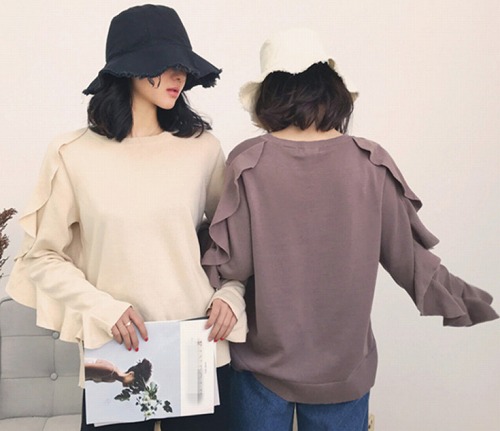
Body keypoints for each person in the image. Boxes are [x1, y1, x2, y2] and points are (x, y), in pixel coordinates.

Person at [201, 27, 499, 431]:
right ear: (331, 89)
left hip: (261, 368)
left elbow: (231, 266)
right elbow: (410, 260)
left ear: (270, 95)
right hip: (344, 369)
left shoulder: (248, 164)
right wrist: (468, 301)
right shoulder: (371, 164)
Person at [6, 5, 246, 431]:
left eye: (183, 65)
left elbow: (232, 241)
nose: (178, 75)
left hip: (196, 344)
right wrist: (104, 308)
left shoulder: (203, 148)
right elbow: (41, 256)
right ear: (129, 69)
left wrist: (231, 293)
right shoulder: (72, 154)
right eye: (164, 64)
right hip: (114, 350)